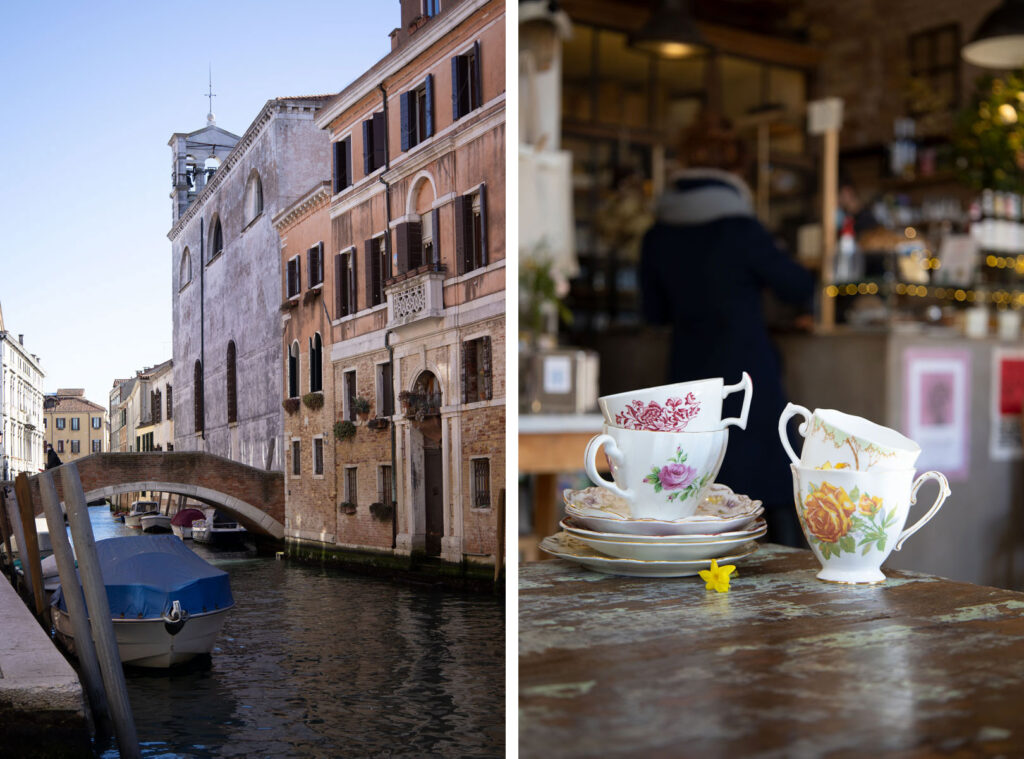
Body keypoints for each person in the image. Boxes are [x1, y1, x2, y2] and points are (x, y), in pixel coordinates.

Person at [639, 114, 815, 547]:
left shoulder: (657, 234)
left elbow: (653, 313)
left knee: (695, 485)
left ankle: (698, 571)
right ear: (737, 171)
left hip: (688, 375)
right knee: (769, 491)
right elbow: (798, 286)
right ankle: (778, 587)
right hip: (746, 375)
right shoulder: (742, 229)